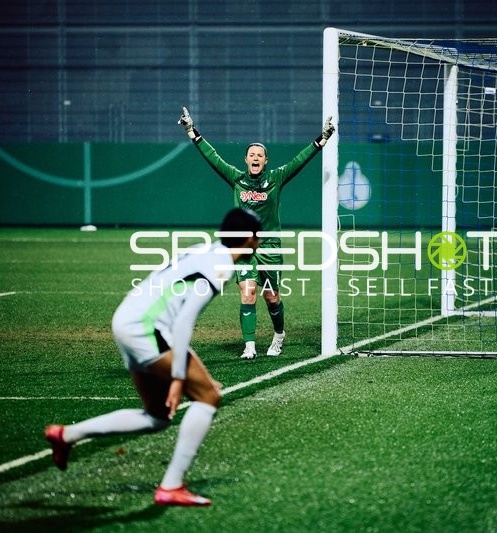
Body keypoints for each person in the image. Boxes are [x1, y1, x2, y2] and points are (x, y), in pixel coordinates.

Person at [45, 208, 262, 507]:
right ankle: (171, 486)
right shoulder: (221, 264)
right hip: (147, 327)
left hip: (127, 318)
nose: (259, 243)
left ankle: (66, 435)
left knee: (157, 416)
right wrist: (178, 377)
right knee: (208, 397)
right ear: (249, 238)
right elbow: (185, 321)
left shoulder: (205, 251)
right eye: (258, 237)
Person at [178, 107, 334, 359]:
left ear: (266, 160)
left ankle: (279, 334)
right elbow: (213, 157)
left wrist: (321, 140)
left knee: (271, 297)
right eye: (251, 154)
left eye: (259, 155)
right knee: (248, 292)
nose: (255, 157)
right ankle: (249, 345)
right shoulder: (237, 179)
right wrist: (191, 131)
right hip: (243, 247)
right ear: (246, 159)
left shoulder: (276, 178)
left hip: (271, 247)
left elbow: (299, 161)